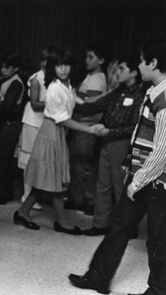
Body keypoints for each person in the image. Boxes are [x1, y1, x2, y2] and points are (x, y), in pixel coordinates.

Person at [69, 40, 166, 295]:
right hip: (142, 177)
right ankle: (98, 277)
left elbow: (163, 150)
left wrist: (138, 180)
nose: (138, 66)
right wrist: (131, 168)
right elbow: (140, 136)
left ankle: (158, 290)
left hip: (156, 182)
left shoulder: (165, 96)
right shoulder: (152, 91)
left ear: (154, 63)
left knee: (158, 240)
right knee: (119, 225)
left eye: (143, 60)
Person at [14, 48, 104, 235]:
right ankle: (62, 221)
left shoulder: (68, 86)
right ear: (53, 67)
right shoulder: (54, 87)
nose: (63, 69)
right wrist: (90, 129)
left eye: (67, 64)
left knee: (47, 178)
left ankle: (22, 212)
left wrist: (107, 96)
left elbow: (80, 103)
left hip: (57, 134)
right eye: (59, 65)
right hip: (51, 133)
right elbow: (62, 119)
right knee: (52, 179)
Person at [74, 55, 144, 236]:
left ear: (134, 73)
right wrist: (69, 104)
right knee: (103, 183)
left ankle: (127, 227)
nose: (117, 72)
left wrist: (110, 132)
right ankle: (101, 223)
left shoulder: (139, 95)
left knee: (120, 185)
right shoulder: (118, 91)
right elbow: (96, 106)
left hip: (122, 142)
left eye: (122, 69)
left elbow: (135, 126)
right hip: (107, 140)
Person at [67, 43, 109, 214]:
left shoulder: (97, 79)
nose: (86, 60)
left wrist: (73, 101)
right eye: (86, 56)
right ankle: (78, 199)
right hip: (81, 125)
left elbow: (89, 107)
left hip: (87, 126)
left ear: (101, 60)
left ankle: (90, 201)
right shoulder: (90, 76)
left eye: (90, 57)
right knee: (77, 163)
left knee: (84, 165)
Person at [17, 48, 55, 210]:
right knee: (29, 158)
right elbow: (34, 104)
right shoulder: (36, 78)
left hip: (45, 122)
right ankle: (27, 194)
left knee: (40, 159)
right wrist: (55, 104)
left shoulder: (53, 79)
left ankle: (35, 194)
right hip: (32, 121)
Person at [0, 51, 25, 205]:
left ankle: (2, 193)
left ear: (15, 69)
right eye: (2, 66)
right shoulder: (5, 80)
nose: (3, 70)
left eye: (7, 67)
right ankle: (2, 191)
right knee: (1, 158)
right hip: (4, 124)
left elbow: (7, 106)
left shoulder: (16, 83)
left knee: (1, 158)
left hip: (10, 125)